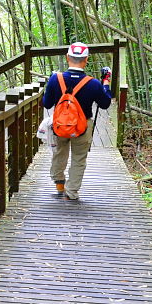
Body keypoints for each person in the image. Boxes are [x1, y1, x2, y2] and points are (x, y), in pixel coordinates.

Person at [42, 42, 112, 201]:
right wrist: (105, 82)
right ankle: (71, 193)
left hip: (60, 125)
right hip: (82, 127)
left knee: (59, 153)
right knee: (78, 159)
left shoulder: (55, 78)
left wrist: (50, 85)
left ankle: (59, 185)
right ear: (86, 60)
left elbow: (46, 103)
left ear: (67, 57)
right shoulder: (93, 83)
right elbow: (105, 103)